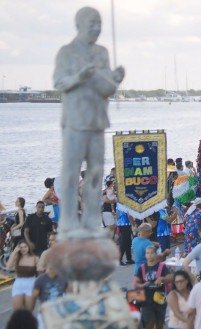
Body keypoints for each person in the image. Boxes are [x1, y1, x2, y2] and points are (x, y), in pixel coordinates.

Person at [53, 7, 125, 239]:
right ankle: (69, 221)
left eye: (99, 24)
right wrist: (79, 77)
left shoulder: (102, 52)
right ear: (80, 24)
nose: (97, 28)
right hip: (75, 121)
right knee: (71, 172)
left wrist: (114, 80)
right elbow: (59, 83)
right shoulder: (67, 52)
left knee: (95, 172)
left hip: (97, 120)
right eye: (92, 24)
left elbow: (106, 88)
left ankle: (92, 219)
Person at [133, 245, 171, 329]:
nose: (149, 255)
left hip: (160, 299)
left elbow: (170, 277)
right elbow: (135, 283)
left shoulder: (162, 266)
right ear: (145, 255)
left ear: (156, 254)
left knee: (159, 324)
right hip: (146, 300)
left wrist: (163, 278)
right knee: (148, 324)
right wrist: (143, 285)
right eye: (147, 253)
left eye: (152, 253)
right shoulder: (141, 268)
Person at [7, 241, 38, 311]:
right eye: (21, 247)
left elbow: (40, 272)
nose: (23, 249)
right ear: (18, 249)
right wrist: (14, 252)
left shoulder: (35, 258)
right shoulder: (16, 257)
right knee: (17, 312)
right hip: (18, 284)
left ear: (29, 247)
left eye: (25, 247)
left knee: (29, 312)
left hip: (31, 284)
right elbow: (8, 267)